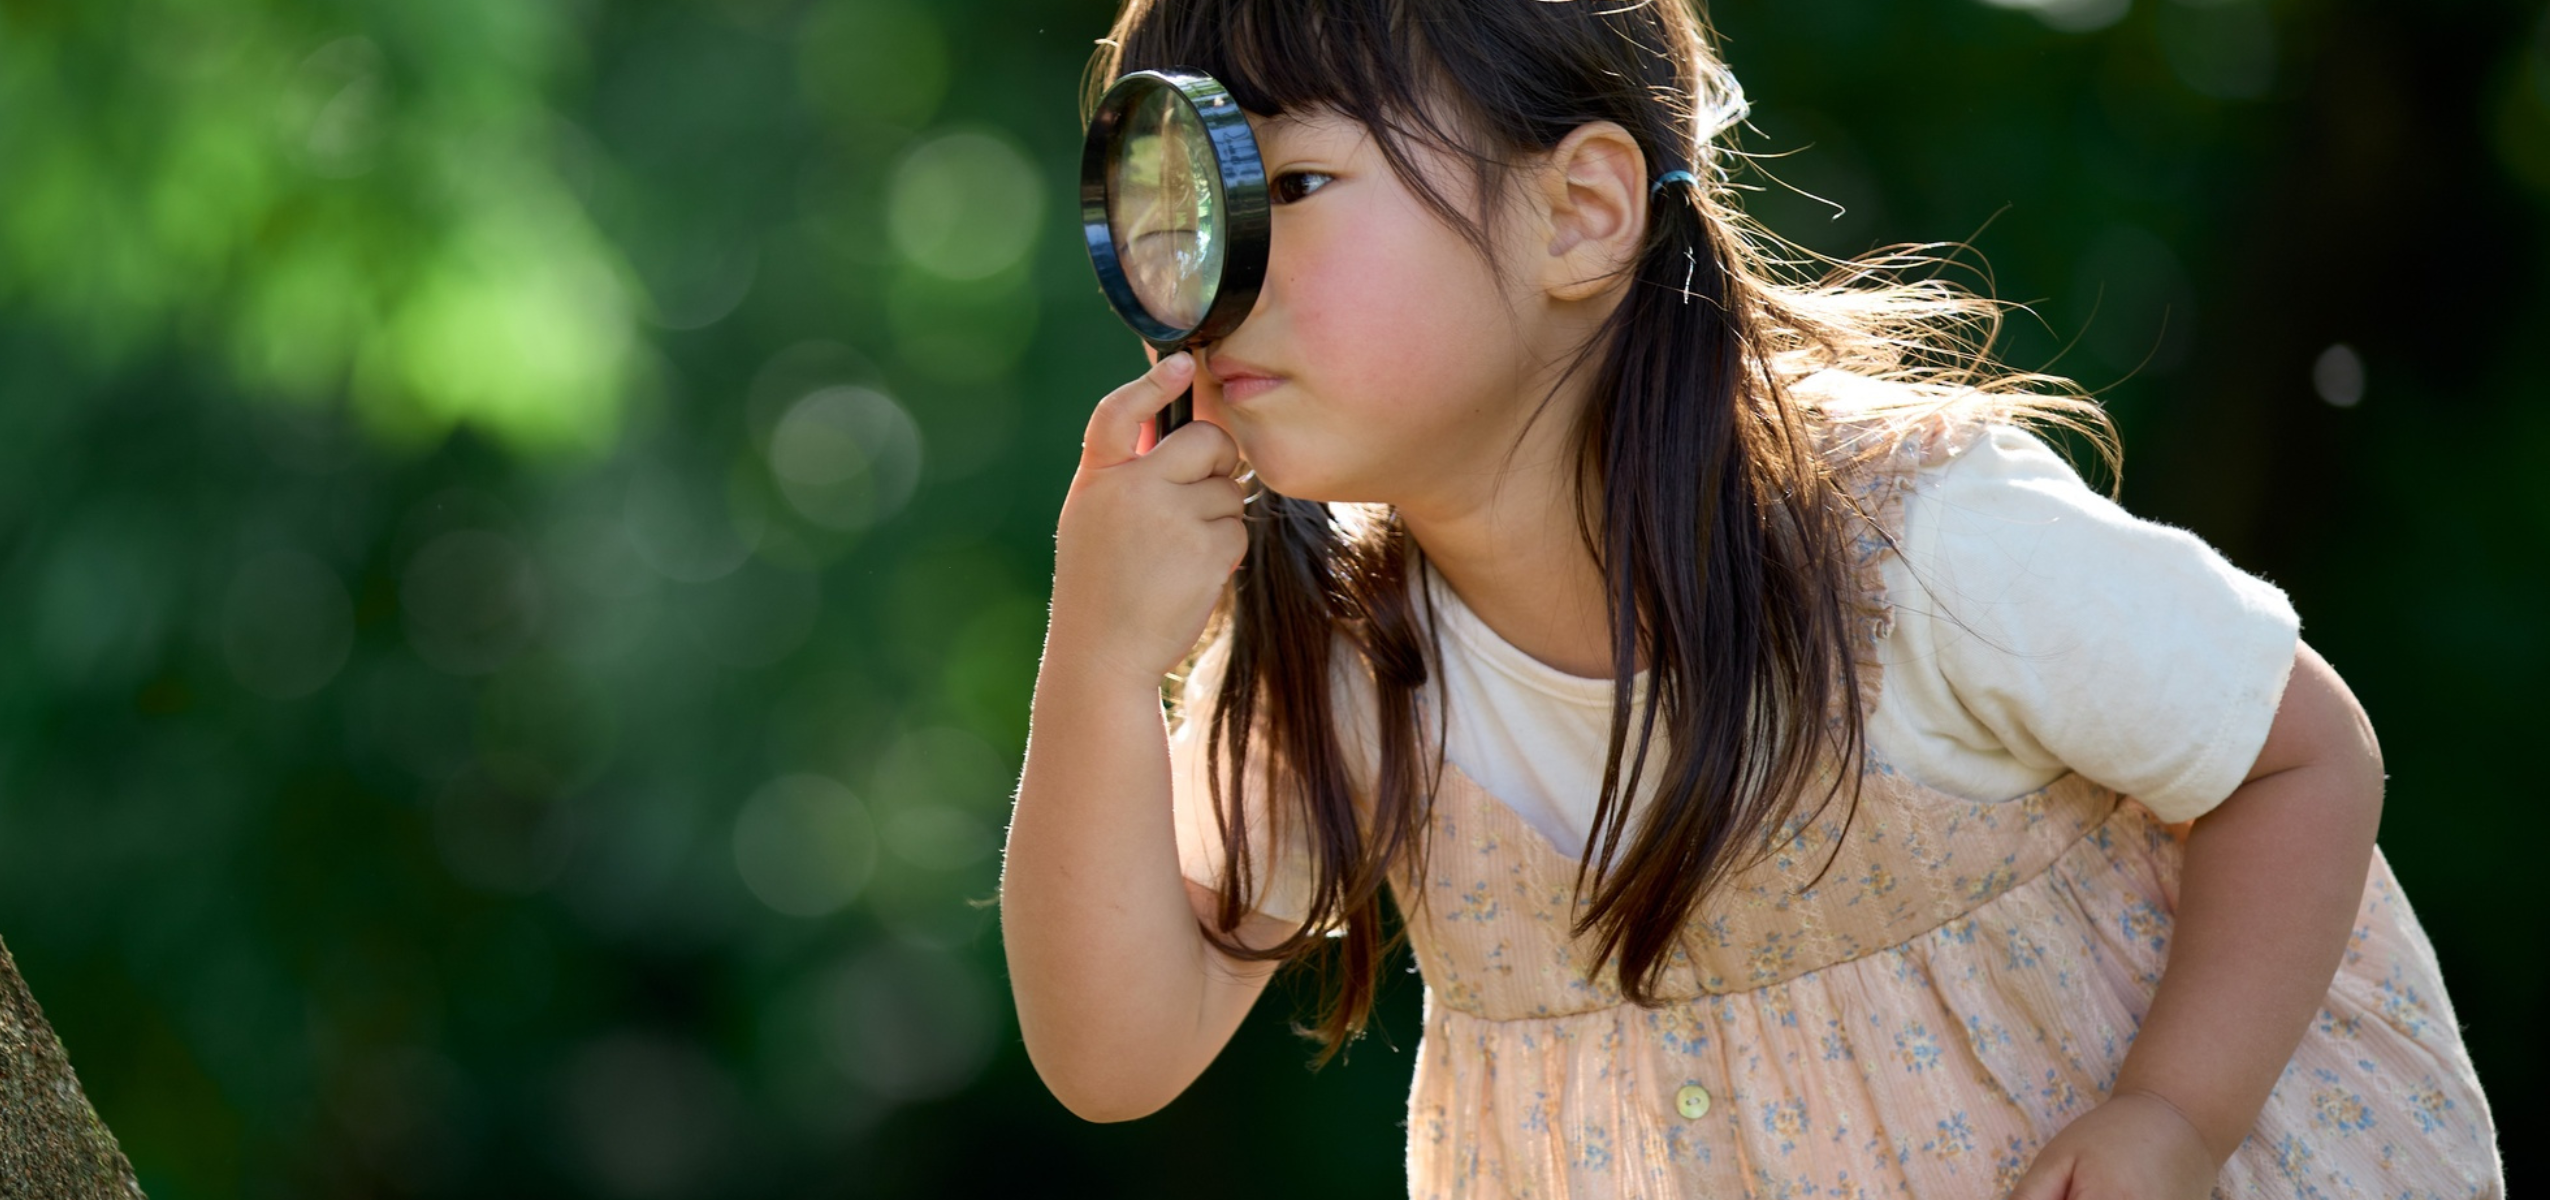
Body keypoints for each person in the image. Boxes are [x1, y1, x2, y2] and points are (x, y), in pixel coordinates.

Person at [995, 0, 2503, 1195]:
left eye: (1295, 180)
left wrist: (2176, 1114)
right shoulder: (1361, 658)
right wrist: (1101, 654)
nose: (1211, 270)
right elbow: (1113, 1052)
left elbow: (2299, 756)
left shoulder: (1913, 543)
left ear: (1581, 213)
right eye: (1185, 200)